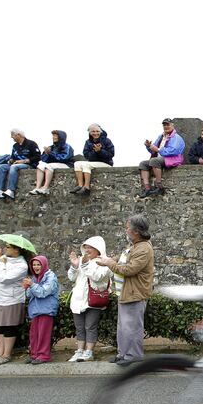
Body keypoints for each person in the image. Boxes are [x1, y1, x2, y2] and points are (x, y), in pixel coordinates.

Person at [96, 214, 154, 366]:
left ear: (136, 231)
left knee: (132, 327)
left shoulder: (144, 248)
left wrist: (109, 264)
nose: (126, 230)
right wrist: (107, 260)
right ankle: (123, 353)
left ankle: (133, 355)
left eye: (128, 227)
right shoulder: (134, 246)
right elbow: (122, 258)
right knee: (123, 327)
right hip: (126, 293)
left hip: (135, 294)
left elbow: (129, 269)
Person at [67, 236, 112, 363]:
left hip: (93, 301)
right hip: (77, 300)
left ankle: (89, 352)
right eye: (85, 247)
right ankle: (79, 351)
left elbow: (97, 277)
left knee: (90, 326)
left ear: (98, 249)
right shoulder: (81, 260)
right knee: (79, 327)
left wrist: (86, 265)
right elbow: (71, 277)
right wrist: (75, 266)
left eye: (90, 247)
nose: (87, 250)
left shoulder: (104, 262)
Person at [0, 242, 30, 365]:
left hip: (12, 299)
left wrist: (0, 261)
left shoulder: (21, 265)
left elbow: (4, 278)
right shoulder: (4, 259)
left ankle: (7, 355)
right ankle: (0, 354)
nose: (5, 248)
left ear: (16, 250)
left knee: (9, 327)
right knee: (1, 326)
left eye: (8, 247)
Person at [22, 255, 59, 364]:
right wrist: (27, 287)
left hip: (46, 310)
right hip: (35, 310)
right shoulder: (34, 277)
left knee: (43, 334)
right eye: (34, 265)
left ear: (44, 265)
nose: (36, 267)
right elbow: (30, 295)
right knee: (34, 334)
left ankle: (43, 356)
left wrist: (32, 285)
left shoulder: (51, 277)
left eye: (38, 264)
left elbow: (43, 292)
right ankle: (34, 354)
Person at [0, 129, 42, 200]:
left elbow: (38, 156)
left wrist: (24, 161)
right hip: (16, 164)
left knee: (14, 167)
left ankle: (11, 190)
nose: (11, 137)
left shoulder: (31, 144)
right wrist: (11, 160)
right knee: (0, 167)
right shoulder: (15, 146)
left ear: (18, 135)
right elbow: (13, 157)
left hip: (29, 165)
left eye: (12, 135)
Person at [139, 118, 186, 198]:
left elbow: (173, 151)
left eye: (168, 124)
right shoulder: (161, 136)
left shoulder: (176, 137)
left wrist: (158, 149)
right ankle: (147, 188)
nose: (166, 126)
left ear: (172, 125)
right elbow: (154, 150)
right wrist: (149, 146)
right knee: (143, 164)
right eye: (164, 125)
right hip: (160, 158)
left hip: (172, 159)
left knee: (154, 161)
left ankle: (159, 186)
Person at [72, 124, 114, 196]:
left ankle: (86, 187)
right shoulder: (88, 142)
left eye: (97, 131)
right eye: (93, 131)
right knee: (77, 164)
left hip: (106, 163)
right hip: (93, 162)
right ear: (90, 133)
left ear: (100, 132)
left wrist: (100, 151)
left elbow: (111, 154)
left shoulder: (107, 141)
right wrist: (95, 151)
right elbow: (87, 156)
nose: (95, 133)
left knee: (86, 165)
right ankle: (80, 185)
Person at [31, 130, 74, 195]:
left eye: (55, 135)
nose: (53, 137)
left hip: (67, 164)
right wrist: (46, 153)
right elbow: (44, 160)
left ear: (61, 137)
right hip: (54, 164)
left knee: (49, 166)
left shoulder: (67, 147)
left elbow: (63, 158)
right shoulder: (51, 147)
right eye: (53, 135)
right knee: (41, 165)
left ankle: (45, 187)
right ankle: (37, 187)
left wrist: (51, 153)